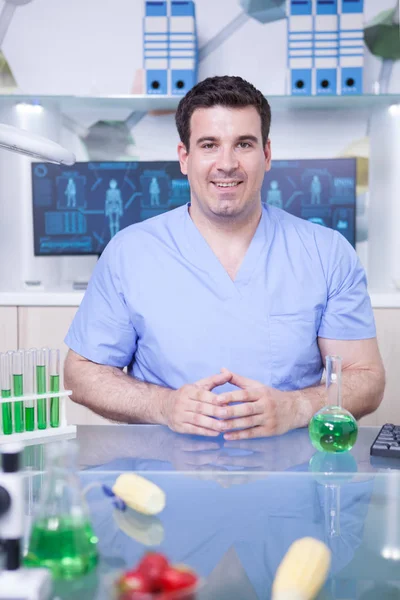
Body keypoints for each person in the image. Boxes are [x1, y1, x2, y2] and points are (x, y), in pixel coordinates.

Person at [64, 75, 385, 440]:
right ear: (185, 157)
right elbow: (82, 372)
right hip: (162, 484)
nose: (227, 163)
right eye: (209, 145)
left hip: (290, 482)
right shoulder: (130, 252)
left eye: (243, 144)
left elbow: (366, 378)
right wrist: (163, 406)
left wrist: (296, 408)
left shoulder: (326, 253)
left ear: (266, 154)